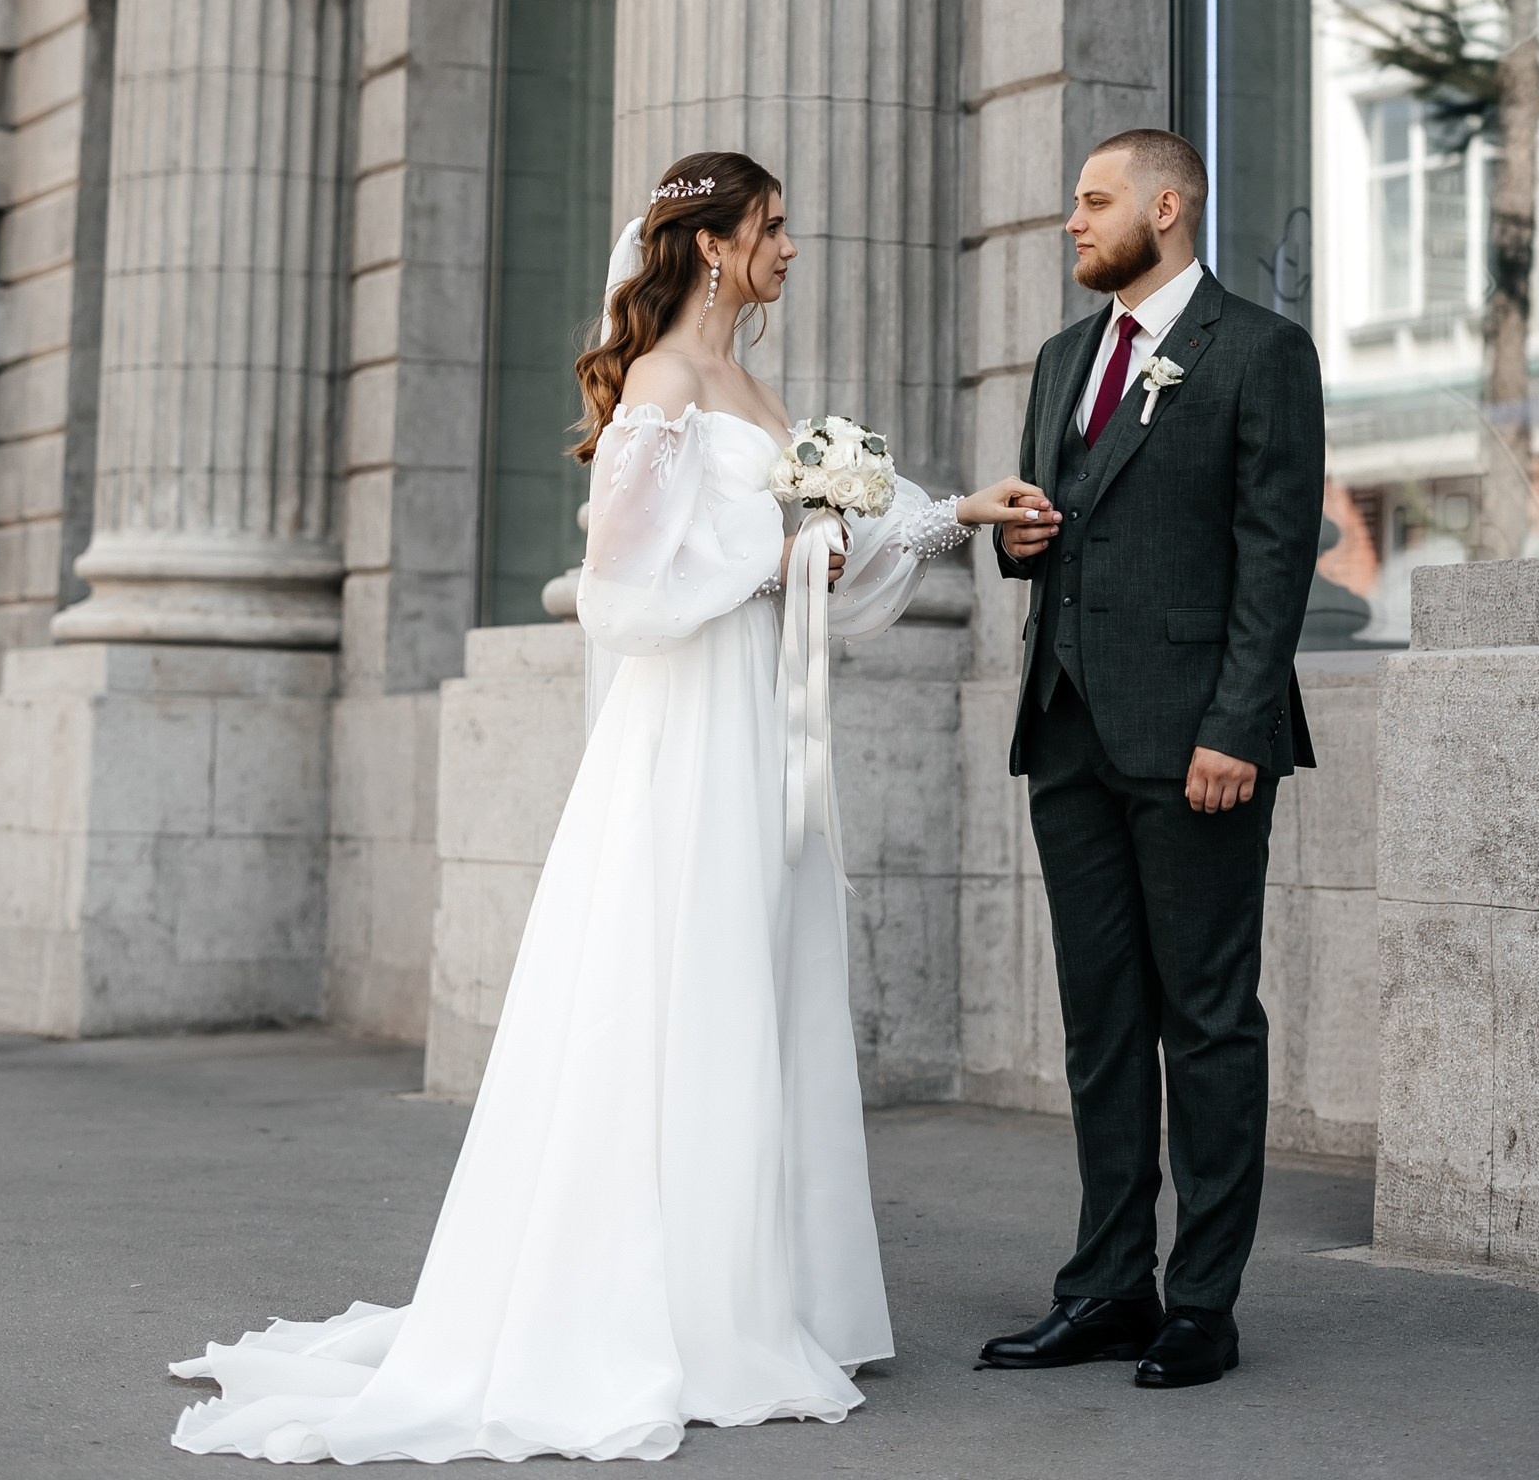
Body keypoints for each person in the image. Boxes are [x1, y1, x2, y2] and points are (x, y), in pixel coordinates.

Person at [170, 150, 1040, 1464]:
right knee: (681, 976)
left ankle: (757, 1293)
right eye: (773, 227)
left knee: (756, 974)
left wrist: (951, 514)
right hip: (689, 722)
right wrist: (774, 555)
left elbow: (827, 540)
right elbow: (621, 584)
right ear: (715, 245)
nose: (791, 248)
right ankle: (661, 1312)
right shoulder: (662, 384)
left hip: (760, 714)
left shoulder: (754, 388)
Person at [978, 128, 1325, 1392]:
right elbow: (1063, 526)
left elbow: (1274, 554)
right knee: (1101, 1023)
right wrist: (1018, 542)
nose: (1072, 221)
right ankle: (1106, 1288)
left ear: (1166, 207)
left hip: (1195, 741)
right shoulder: (1062, 357)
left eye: (1093, 200)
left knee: (1208, 1020)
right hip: (1067, 728)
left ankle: (1202, 1304)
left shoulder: (1260, 352)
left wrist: (1236, 726)